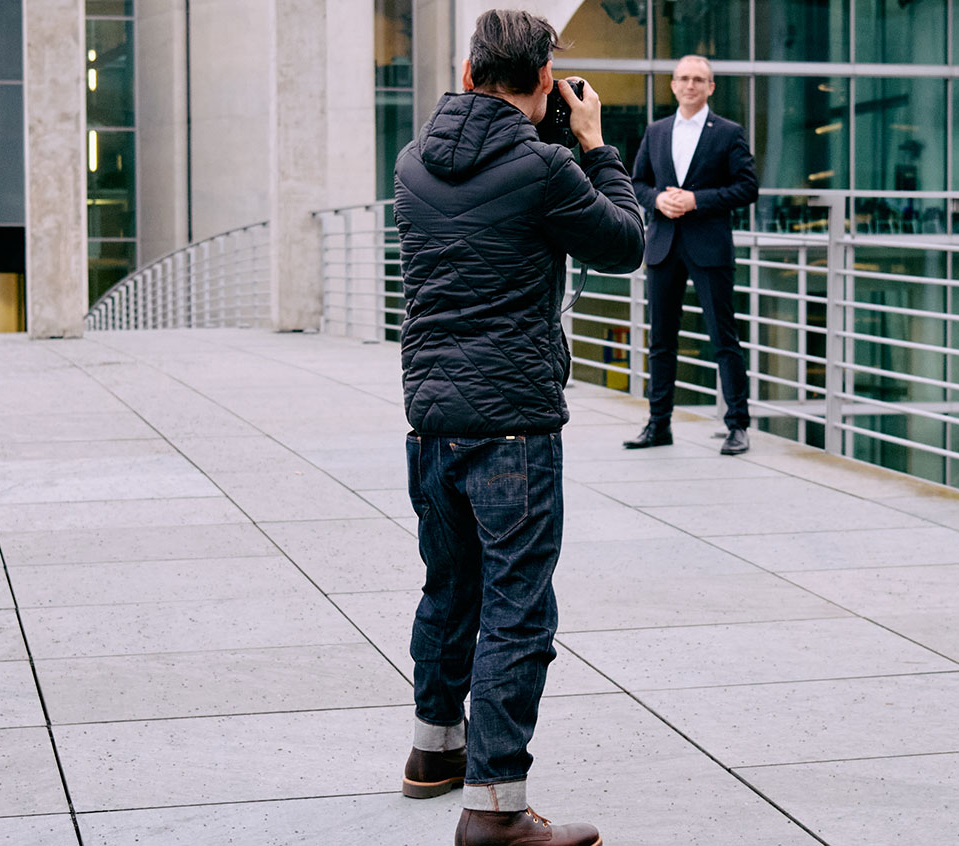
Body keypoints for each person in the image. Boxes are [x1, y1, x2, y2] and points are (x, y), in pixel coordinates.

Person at [389, 10, 642, 846]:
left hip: (430, 423)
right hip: (512, 427)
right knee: (517, 612)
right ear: (542, 83)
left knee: (449, 588)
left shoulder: (412, 164)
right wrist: (596, 144)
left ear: (466, 75)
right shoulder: (542, 167)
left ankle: (435, 754)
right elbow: (625, 242)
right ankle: (496, 810)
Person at [621, 55, 760, 456]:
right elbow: (637, 182)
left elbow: (747, 187)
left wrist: (698, 200)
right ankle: (658, 424)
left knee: (723, 338)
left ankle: (738, 426)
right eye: (683, 78)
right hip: (663, 243)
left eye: (699, 79)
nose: (690, 85)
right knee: (662, 340)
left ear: (711, 87)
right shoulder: (657, 130)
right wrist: (659, 199)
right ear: (673, 85)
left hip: (709, 246)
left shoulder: (729, 133)